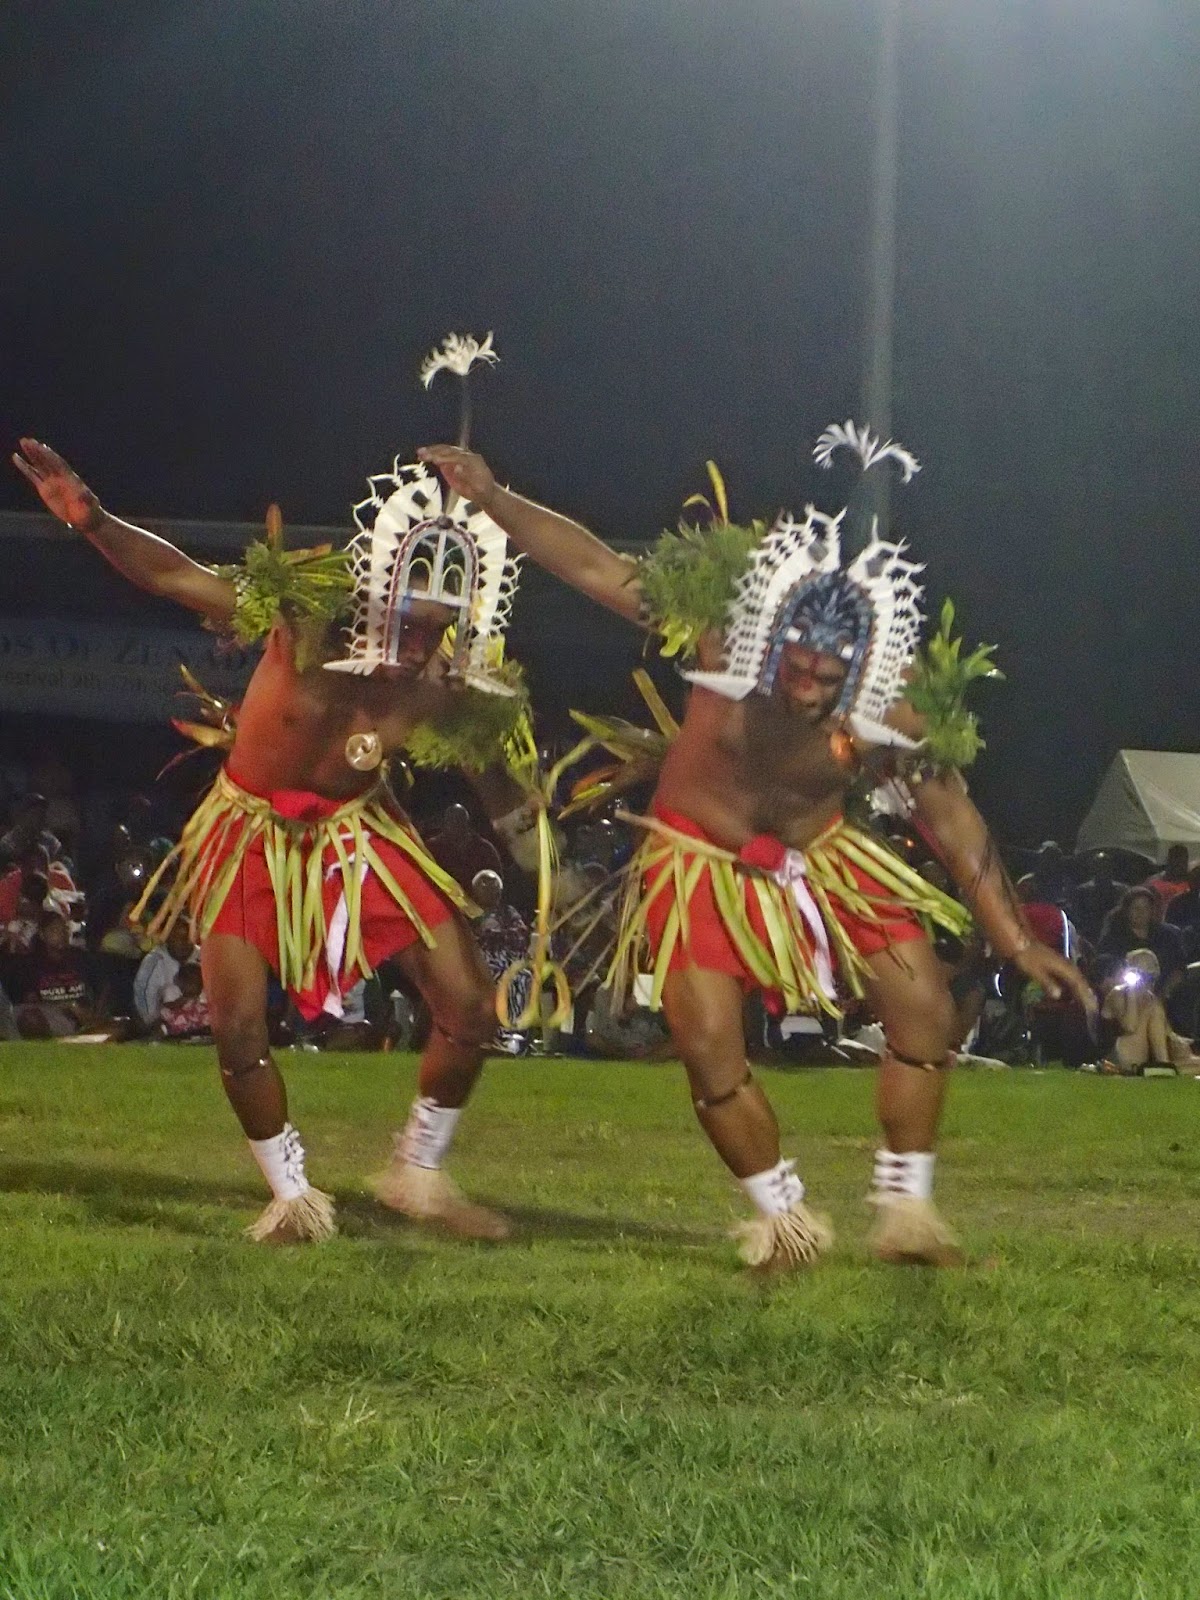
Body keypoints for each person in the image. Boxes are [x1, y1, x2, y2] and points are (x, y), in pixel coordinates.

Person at [421, 424, 1093, 1271]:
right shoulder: (722, 632)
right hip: (698, 850)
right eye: (796, 669)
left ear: (862, 670)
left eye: (827, 680)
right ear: (772, 641)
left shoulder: (899, 706)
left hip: (829, 852)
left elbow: (949, 815)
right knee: (707, 1044)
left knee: (922, 1012)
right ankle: (783, 1219)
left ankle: (907, 1214)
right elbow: (594, 567)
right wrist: (491, 496)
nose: (808, 689)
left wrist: (1016, 936)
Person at [14, 424, 526, 1245]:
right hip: (251, 830)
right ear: (382, 590)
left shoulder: (441, 687)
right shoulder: (303, 621)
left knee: (469, 1006)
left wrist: (531, 835)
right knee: (240, 1023)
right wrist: (93, 518)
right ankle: (291, 1197)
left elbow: (491, 774)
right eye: (414, 623)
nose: (424, 644)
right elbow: (178, 576)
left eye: (441, 630)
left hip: (364, 836)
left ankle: (417, 1175)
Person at [1098, 949, 1200, 1074]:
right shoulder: (1118, 994)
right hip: (1121, 1059)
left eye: (1151, 977)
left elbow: (1168, 1033)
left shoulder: (1151, 999)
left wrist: (1181, 1043)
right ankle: (1163, 1065)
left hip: (1147, 1060)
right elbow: (1130, 1026)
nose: (1147, 982)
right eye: (1143, 976)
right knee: (1153, 1009)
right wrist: (1131, 991)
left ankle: (1164, 1066)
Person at [133, 921, 197, 1029]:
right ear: (167, 939)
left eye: (186, 938)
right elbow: (143, 995)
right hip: (162, 1023)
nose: (182, 943)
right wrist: (153, 1023)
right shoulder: (154, 961)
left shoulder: (204, 957)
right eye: (176, 938)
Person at [428, 804, 503, 896]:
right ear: (445, 823)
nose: (456, 826)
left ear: (466, 822)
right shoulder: (434, 847)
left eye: (459, 821)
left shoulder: (484, 848)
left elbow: (496, 878)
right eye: (452, 821)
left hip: (478, 901)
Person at [1145, 845, 1191, 914]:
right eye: (1176, 858)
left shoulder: (1193, 882)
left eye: (1183, 861)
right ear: (1169, 860)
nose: (1179, 863)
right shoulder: (1153, 883)